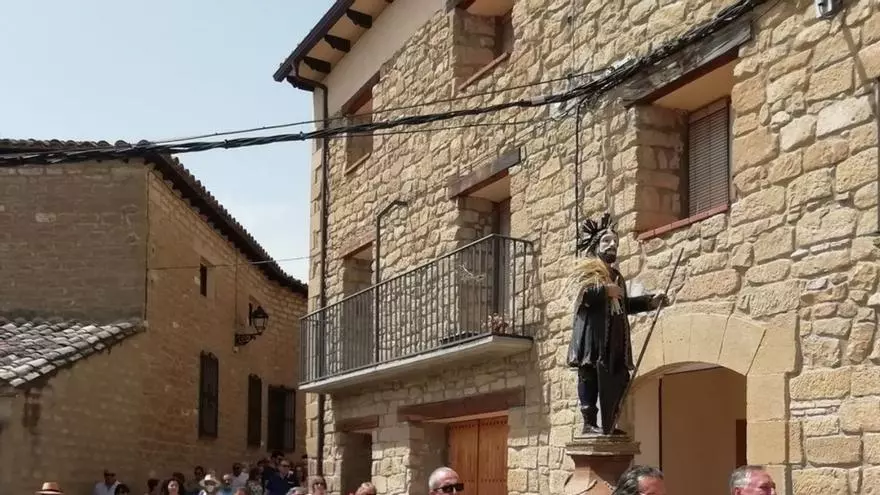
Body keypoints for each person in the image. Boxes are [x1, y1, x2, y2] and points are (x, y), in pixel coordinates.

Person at [567, 212, 668, 435]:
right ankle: (589, 423)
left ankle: (609, 423)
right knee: (589, 376)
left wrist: (650, 302)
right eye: (606, 241)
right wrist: (605, 291)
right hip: (592, 336)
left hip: (613, 339)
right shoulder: (588, 270)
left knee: (616, 378)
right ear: (596, 246)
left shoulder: (616, 276)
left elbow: (624, 305)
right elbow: (581, 296)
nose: (612, 245)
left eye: (615, 241)